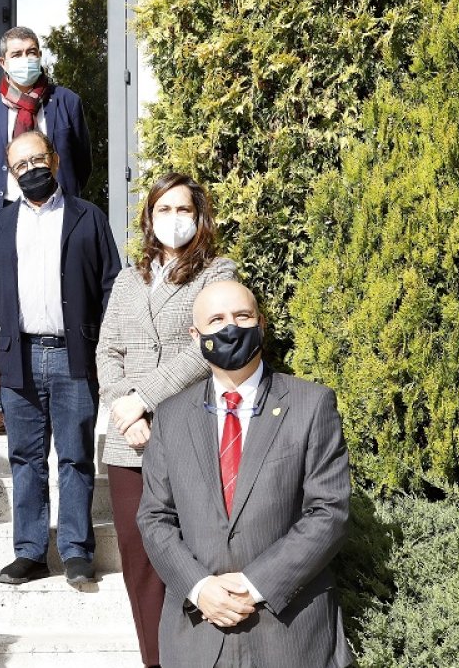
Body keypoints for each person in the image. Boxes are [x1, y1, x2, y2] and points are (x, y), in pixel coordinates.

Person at [136, 280, 353, 668]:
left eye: (242, 316)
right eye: (216, 320)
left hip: (290, 633)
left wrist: (256, 584)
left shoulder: (311, 404)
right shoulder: (170, 416)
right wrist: (199, 587)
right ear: (196, 335)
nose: (230, 328)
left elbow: (328, 512)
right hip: (198, 634)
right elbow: (155, 518)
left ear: (261, 324)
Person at [96, 173, 238, 668]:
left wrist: (143, 398)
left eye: (183, 210)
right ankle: (154, 660)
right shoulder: (128, 279)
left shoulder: (217, 273)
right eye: (164, 209)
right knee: (138, 560)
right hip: (128, 441)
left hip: (189, 431)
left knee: (195, 553)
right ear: (149, 218)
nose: (173, 219)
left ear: (199, 217)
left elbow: (207, 348)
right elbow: (107, 350)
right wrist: (124, 409)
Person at [0, 130, 120, 586]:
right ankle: (30, 552)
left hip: (75, 355)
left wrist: (107, 352)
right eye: (21, 165)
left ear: (54, 161)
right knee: (25, 458)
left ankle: (76, 550)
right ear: (11, 174)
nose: (31, 170)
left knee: (75, 456)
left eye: (37, 160)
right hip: (18, 358)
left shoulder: (88, 217)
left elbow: (111, 287)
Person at [0, 26, 91, 242]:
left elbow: (82, 165)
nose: (25, 59)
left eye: (31, 52)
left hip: (59, 213)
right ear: (3, 62)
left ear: (39, 56)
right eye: (16, 54)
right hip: (2, 216)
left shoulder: (68, 101)